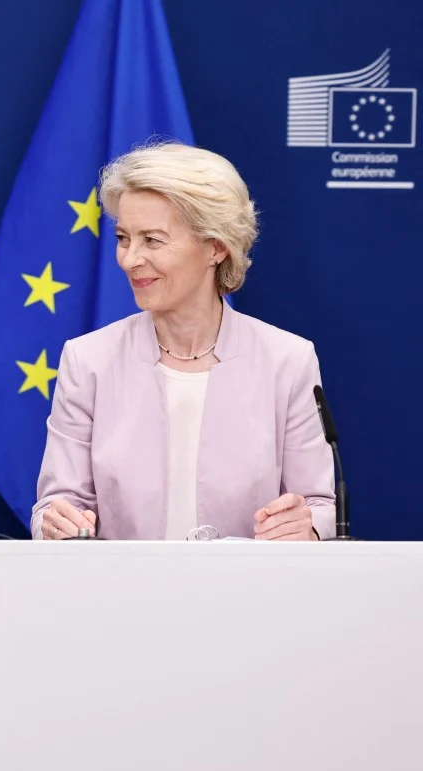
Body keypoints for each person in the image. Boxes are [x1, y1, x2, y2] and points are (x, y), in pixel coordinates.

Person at [32, 142, 335, 541]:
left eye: (152, 240)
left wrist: (307, 527)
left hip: (245, 582)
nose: (129, 259)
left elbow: (319, 507)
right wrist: (55, 524)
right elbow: (56, 505)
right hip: (122, 582)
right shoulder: (88, 360)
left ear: (216, 247)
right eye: (123, 238)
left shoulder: (287, 360)